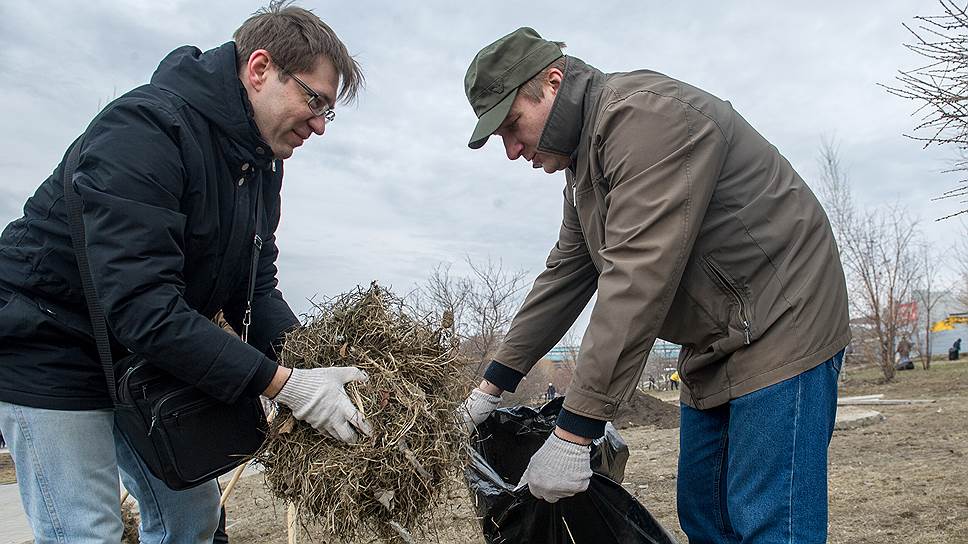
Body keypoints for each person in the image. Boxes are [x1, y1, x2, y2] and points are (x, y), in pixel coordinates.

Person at [459, 28, 850, 543]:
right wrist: (489, 388)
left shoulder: (644, 120)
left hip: (782, 323)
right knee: (706, 517)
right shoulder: (583, 171)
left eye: (513, 125)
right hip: (713, 343)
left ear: (552, 84)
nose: (512, 150)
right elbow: (566, 274)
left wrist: (577, 430)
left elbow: (636, 276)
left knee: (769, 523)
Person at [0, 3, 372, 543]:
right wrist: (284, 385)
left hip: (140, 356)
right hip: (49, 341)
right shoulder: (144, 131)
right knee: (87, 532)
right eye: (313, 100)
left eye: (328, 111)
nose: (319, 124)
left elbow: (256, 286)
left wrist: (310, 366)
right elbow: (141, 304)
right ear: (260, 68)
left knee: (192, 520)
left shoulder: (260, 164)